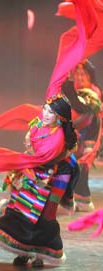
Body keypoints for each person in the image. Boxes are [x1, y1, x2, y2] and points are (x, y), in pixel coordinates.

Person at [0, 95, 79, 267]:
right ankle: (24, 250)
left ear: (60, 116)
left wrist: (30, 169)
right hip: (37, 170)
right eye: (45, 109)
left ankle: (41, 254)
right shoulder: (38, 126)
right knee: (23, 208)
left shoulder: (59, 136)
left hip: (59, 174)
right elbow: (33, 154)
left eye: (51, 112)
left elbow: (45, 159)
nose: (45, 114)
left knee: (47, 212)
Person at [61, 63, 102, 212]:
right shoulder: (77, 92)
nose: (79, 77)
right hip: (77, 137)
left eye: (83, 74)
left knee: (81, 167)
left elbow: (83, 109)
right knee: (71, 166)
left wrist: (68, 89)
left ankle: (82, 201)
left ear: (90, 75)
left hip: (91, 137)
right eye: (77, 74)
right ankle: (77, 200)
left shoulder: (93, 92)